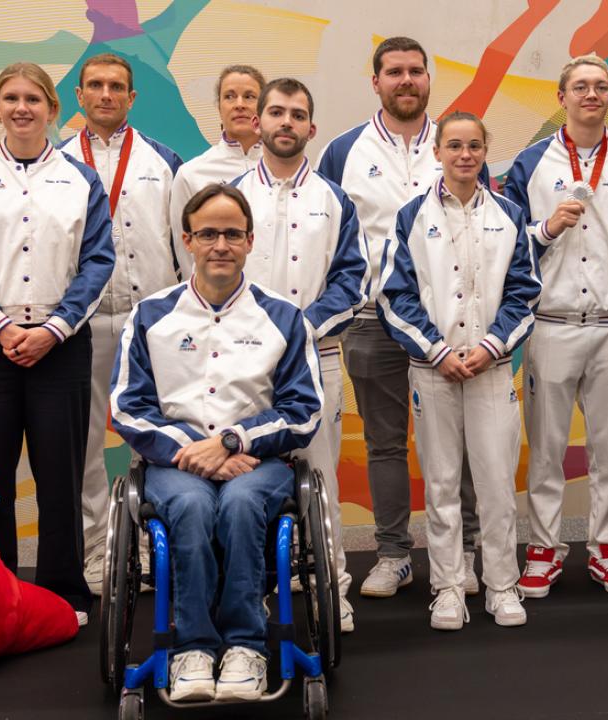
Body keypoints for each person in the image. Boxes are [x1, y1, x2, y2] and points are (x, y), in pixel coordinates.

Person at [111, 183, 323, 702]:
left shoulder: (283, 317)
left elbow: (305, 410)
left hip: (259, 462)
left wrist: (230, 441)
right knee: (188, 505)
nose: (220, 245)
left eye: (232, 234)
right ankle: (193, 648)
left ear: (251, 241)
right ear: (188, 240)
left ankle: (247, 646)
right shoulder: (151, 315)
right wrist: (195, 451)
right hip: (173, 463)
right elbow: (127, 406)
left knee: (243, 503)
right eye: (208, 233)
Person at [0, 62, 115, 624]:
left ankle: (64, 592)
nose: (21, 107)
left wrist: (55, 328)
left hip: (60, 344)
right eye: (10, 98)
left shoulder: (81, 179)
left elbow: (98, 260)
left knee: (61, 474)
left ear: (53, 109)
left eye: (33, 98)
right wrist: (0, 325)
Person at [318, 37, 481, 599]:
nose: (406, 80)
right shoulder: (344, 150)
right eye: (394, 72)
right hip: (370, 319)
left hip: (451, 324)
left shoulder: (456, 143)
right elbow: (329, 235)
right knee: (386, 444)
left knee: (457, 442)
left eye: (416, 71)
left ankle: (462, 551)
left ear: (429, 79)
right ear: (376, 82)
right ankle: (393, 554)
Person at [378, 111, 540, 630]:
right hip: (434, 371)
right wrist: (437, 350)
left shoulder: (510, 214)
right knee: (443, 484)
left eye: (474, 145)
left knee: (495, 484)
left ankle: (500, 585)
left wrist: (492, 347)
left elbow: (525, 293)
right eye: (454, 145)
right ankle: (448, 587)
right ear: (437, 152)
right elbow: (395, 295)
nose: (464, 154)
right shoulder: (409, 217)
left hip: (491, 372)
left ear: (485, 149)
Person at [504, 53, 608, 598]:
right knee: (545, 447)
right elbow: (504, 245)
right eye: (580, 86)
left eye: (601, 87)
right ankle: (543, 547)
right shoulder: (529, 164)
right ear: (561, 96)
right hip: (551, 322)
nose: (591, 95)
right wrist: (544, 229)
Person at [231, 77, 367, 632]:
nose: (286, 123)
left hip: (316, 360)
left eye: (298, 115)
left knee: (319, 480)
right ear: (258, 122)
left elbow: (351, 279)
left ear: (312, 129)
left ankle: (332, 587)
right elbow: (209, 273)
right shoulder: (233, 194)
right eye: (276, 112)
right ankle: (253, 594)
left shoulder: (334, 199)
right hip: (242, 366)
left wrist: (299, 328)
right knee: (247, 482)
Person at [57, 53, 183, 593]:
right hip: (81, 322)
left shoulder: (165, 160)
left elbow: (185, 247)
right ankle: (97, 552)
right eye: (95, 86)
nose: (105, 95)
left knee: (152, 435)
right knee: (84, 441)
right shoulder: (57, 163)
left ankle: (155, 551)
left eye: (116, 87)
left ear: (132, 98)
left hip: (149, 319)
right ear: (79, 97)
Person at [169, 64, 265, 278]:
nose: (239, 104)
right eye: (230, 96)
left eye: (249, 96)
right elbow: (186, 257)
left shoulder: (284, 172)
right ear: (219, 107)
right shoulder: (191, 174)